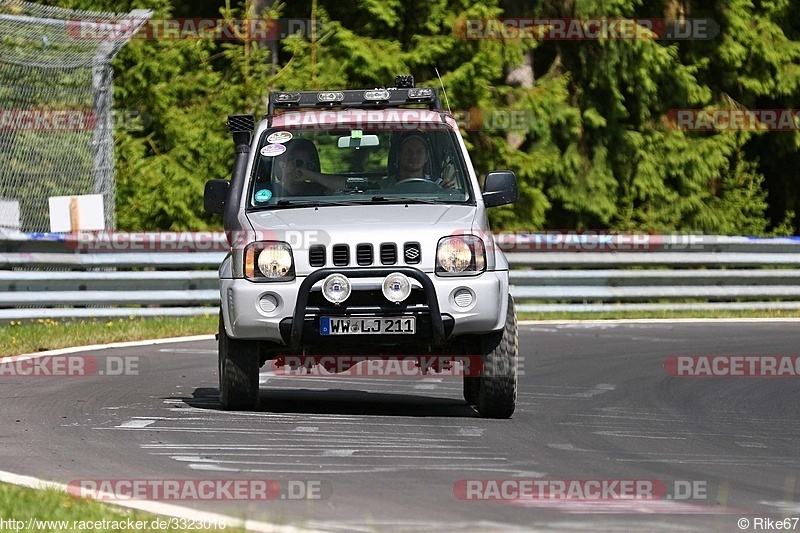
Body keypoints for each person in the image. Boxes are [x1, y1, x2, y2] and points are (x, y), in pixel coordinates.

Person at [253, 138, 325, 204]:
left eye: (309, 165)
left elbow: (336, 184)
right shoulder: (264, 191)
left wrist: (312, 176)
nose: (303, 169)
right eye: (298, 162)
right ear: (283, 164)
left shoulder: (317, 190)